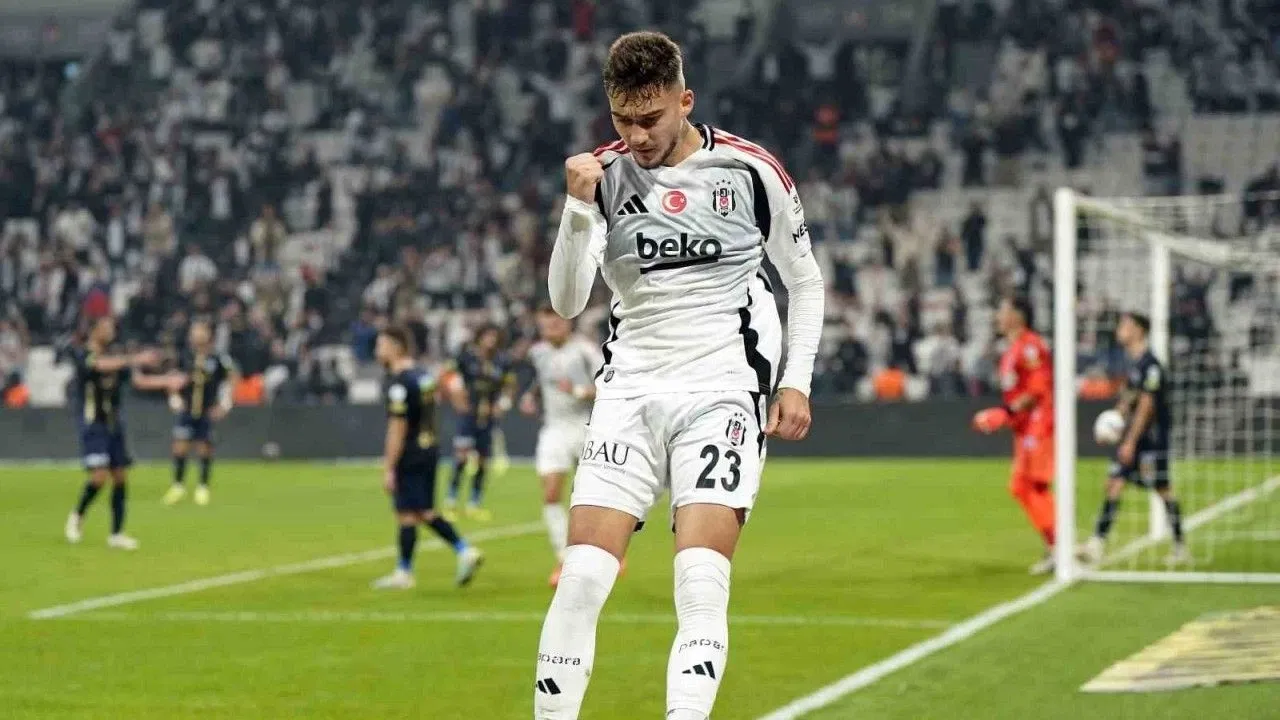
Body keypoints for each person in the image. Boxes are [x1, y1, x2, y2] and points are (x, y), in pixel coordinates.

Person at [532, 31, 824, 720]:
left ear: (685, 101)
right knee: (580, 578)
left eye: (651, 118)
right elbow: (566, 303)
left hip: (721, 391)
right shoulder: (601, 177)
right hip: (628, 392)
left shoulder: (750, 171)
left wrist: (796, 380)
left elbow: (804, 280)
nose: (636, 135)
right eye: (622, 119)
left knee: (699, 581)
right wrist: (576, 210)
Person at [371, 325, 485, 590]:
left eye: (381, 345)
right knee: (420, 511)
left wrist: (389, 466)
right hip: (430, 449)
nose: (377, 351)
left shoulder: (399, 383)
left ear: (395, 347)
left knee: (408, 512)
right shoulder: (424, 376)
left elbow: (397, 427)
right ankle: (458, 553)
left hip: (410, 452)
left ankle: (409, 571)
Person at [64, 317, 184, 549]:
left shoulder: (116, 355)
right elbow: (99, 365)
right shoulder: (82, 353)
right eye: (106, 327)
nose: (111, 332)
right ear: (94, 330)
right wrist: (136, 358)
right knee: (99, 477)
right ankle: (77, 516)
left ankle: (116, 534)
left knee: (120, 477)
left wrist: (166, 381)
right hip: (93, 423)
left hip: (114, 424)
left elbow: (138, 381)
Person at [1079, 312, 1187, 566]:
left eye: (1125, 326)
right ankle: (1097, 543)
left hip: (1151, 440)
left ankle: (1180, 546)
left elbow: (1147, 406)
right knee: (1114, 483)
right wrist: (1111, 424)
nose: (1120, 330)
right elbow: (1127, 401)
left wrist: (1129, 441)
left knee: (1162, 489)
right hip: (1134, 438)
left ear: (1139, 330)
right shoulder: (1135, 365)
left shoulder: (1151, 366)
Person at [520, 305, 605, 587]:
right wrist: (530, 397)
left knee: (593, 495)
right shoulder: (538, 352)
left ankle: (607, 551)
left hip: (585, 426)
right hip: (554, 429)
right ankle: (563, 559)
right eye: (545, 325)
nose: (550, 329)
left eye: (555, 323)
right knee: (551, 494)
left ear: (568, 323)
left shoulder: (585, 350)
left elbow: (608, 386)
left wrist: (578, 390)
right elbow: (541, 380)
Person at [972, 295, 1057, 575]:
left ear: (1018, 316)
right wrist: (1007, 416)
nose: (998, 316)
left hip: (1039, 424)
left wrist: (1005, 412)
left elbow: (1037, 390)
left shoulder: (1031, 346)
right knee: (1022, 486)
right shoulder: (1013, 349)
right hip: (1024, 426)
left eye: (1003, 311)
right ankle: (1056, 545)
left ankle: (1058, 546)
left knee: (1033, 485)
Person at [442, 324, 518, 521]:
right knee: (461, 458)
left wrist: (503, 404)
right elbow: (447, 374)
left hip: (487, 416)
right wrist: (456, 396)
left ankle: (474, 504)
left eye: (494, 337)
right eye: (487, 336)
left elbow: (510, 385)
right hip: (468, 415)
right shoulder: (466, 357)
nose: (490, 340)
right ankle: (451, 501)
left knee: (483, 461)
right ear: (479, 337)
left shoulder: (502, 361)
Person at [164, 321, 240, 506]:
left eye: (200, 331)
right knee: (180, 447)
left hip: (206, 411)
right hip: (187, 410)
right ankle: (178, 486)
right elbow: (171, 378)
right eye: (194, 331)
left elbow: (233, 377)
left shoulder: (218, 358)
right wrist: (174, 397)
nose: (197, 335)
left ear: (208, 334)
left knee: (204, 449)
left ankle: (202, 487)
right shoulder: (184, 357)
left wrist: (225, 404)